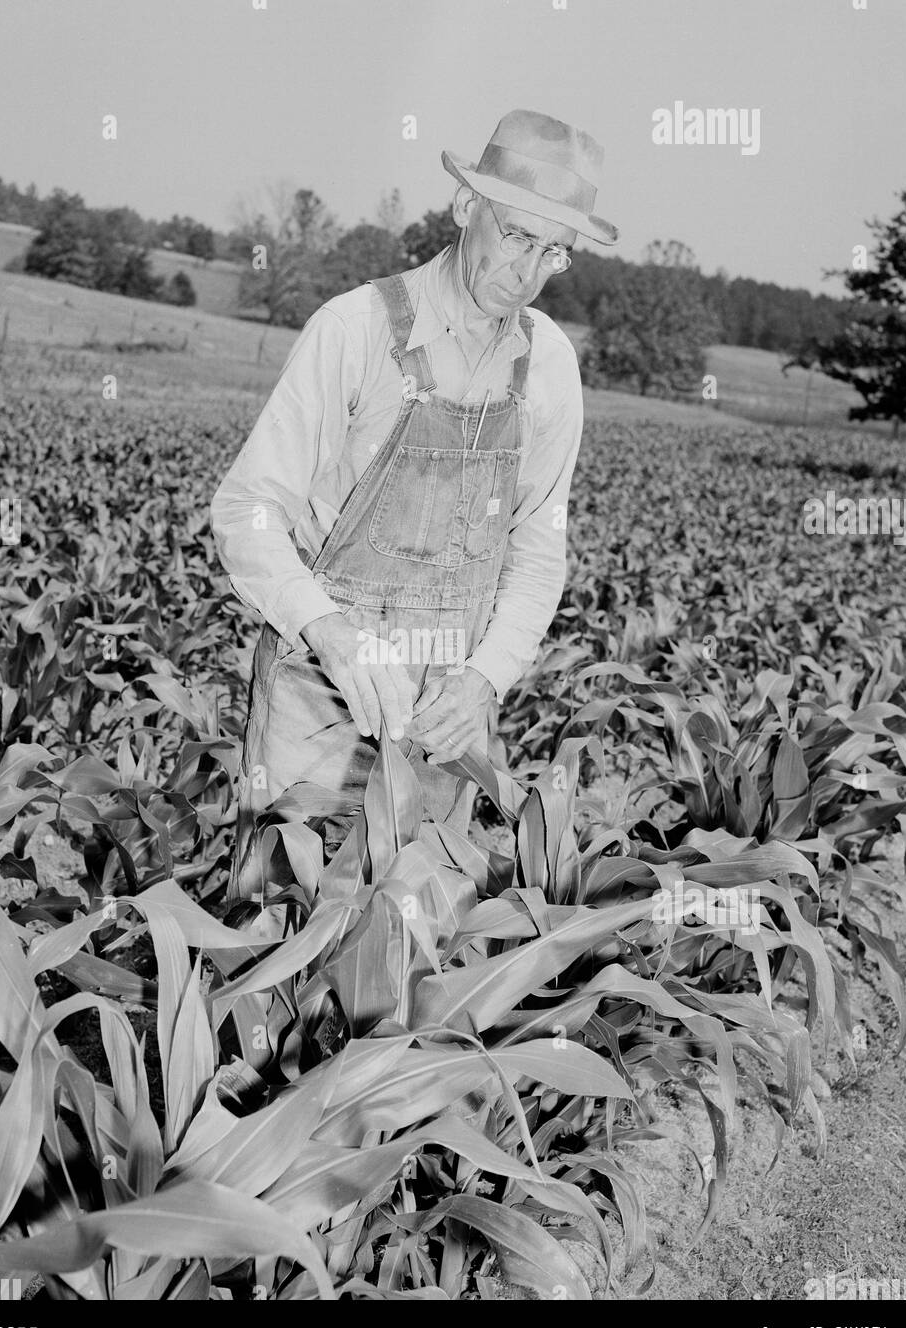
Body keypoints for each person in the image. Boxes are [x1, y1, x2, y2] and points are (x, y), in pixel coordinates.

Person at [210, 109, 620, 898]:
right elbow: (247, 512)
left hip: (445, 711)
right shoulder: (355, 329)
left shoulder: (551, 369)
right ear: (468, 208)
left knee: (406, 946)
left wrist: (482, 684)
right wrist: (330, 635)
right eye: (518, 235)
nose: (529, 269)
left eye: (554, 251)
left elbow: (538, 556)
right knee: (277, 926)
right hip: (321, 696)